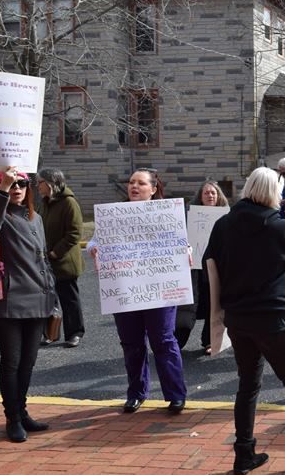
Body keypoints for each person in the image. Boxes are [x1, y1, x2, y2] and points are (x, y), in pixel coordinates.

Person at [204, 166, 285, 475]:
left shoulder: (223, 225)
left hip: (238, 317)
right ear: (272, 193)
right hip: (273, 316)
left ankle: (244, 453)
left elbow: (210, 261)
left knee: (248, 384)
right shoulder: (282, 229)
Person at [89, 168, 187, 414]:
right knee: (131, 343)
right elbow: (95, 240)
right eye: (131, 182)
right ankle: (136, 393)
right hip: (125, 289)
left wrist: (186, 252)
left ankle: (175, 395)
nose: (134, 186)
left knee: (163, 341)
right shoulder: (113, 215)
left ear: (153, 189)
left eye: (140, 183)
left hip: (160, 290)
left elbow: (182, 244)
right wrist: (93, 248)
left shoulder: (168, 214)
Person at [0, 167, 56, 442]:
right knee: (12, 362)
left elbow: (43, 260)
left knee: (28, 362)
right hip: (8, 300)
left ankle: (22, 411)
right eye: (12, 184)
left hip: (38, 297)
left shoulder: (35, 218)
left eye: (22, 184)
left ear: (29, 188)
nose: (17, 188)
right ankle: (12, 418)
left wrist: (53, 296)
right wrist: (1, 187)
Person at [175, 181, 229, 354]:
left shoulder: (227, 217)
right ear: (200, 197)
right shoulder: (189, 216)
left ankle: (210, 341)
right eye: (206, 193)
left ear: (219, 195)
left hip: (216, 268)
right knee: (189, 306)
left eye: (213, 193)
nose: (210, 196)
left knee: (214, 304)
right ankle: (177, 342)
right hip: (195, 269)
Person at [35, 168, 85, 349]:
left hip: (64, 262)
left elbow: (74, 233)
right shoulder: (45, 202)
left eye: (39, 182)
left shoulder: (69, 203)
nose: (37, 186)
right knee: (48, 300)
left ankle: (74, 333)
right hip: (45, 261)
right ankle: (50, 334)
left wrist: (55, 253)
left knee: (68, 299)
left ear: (50, 184)